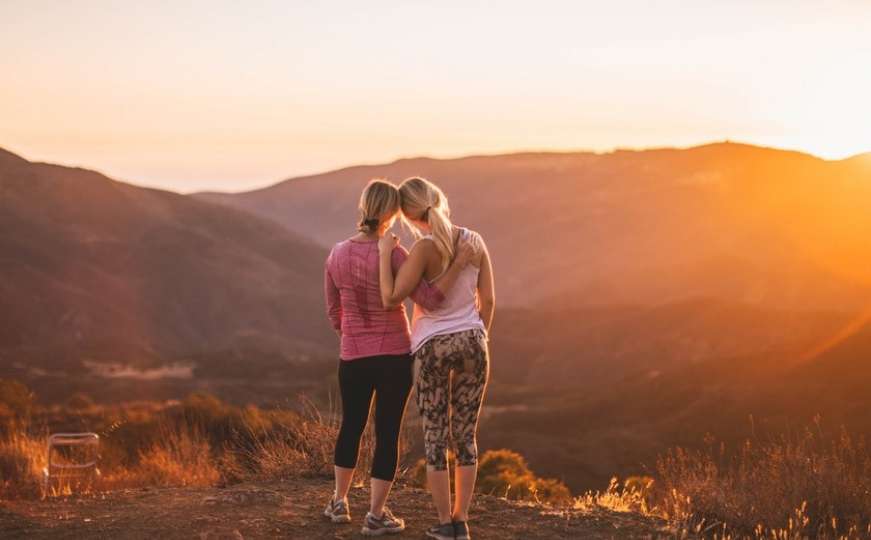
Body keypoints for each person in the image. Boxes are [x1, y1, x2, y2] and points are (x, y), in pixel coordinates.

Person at [323, 179, 474, 536]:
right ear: (392, 213)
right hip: (394, 356)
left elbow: (332, 310)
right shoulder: (395, 254)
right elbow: (429, 299)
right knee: (387, 432)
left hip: (353, 355)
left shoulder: (337, 253)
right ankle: (375, 515)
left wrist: (352, 333)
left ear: (363, 208)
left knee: (351, 425)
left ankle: (339, 502)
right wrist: (458, 269)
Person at [378, 177, 495, 540]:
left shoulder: (423, 251)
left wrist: (385, 255)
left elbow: (396, 296)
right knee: (466, 435)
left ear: (411, 218)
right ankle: (462, 519)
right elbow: (488, 301)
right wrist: (478, 336)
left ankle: (446, 523)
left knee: (436, 436)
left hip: (432, 348)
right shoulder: (474, 241)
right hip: (474, 342)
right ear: (440, 200)